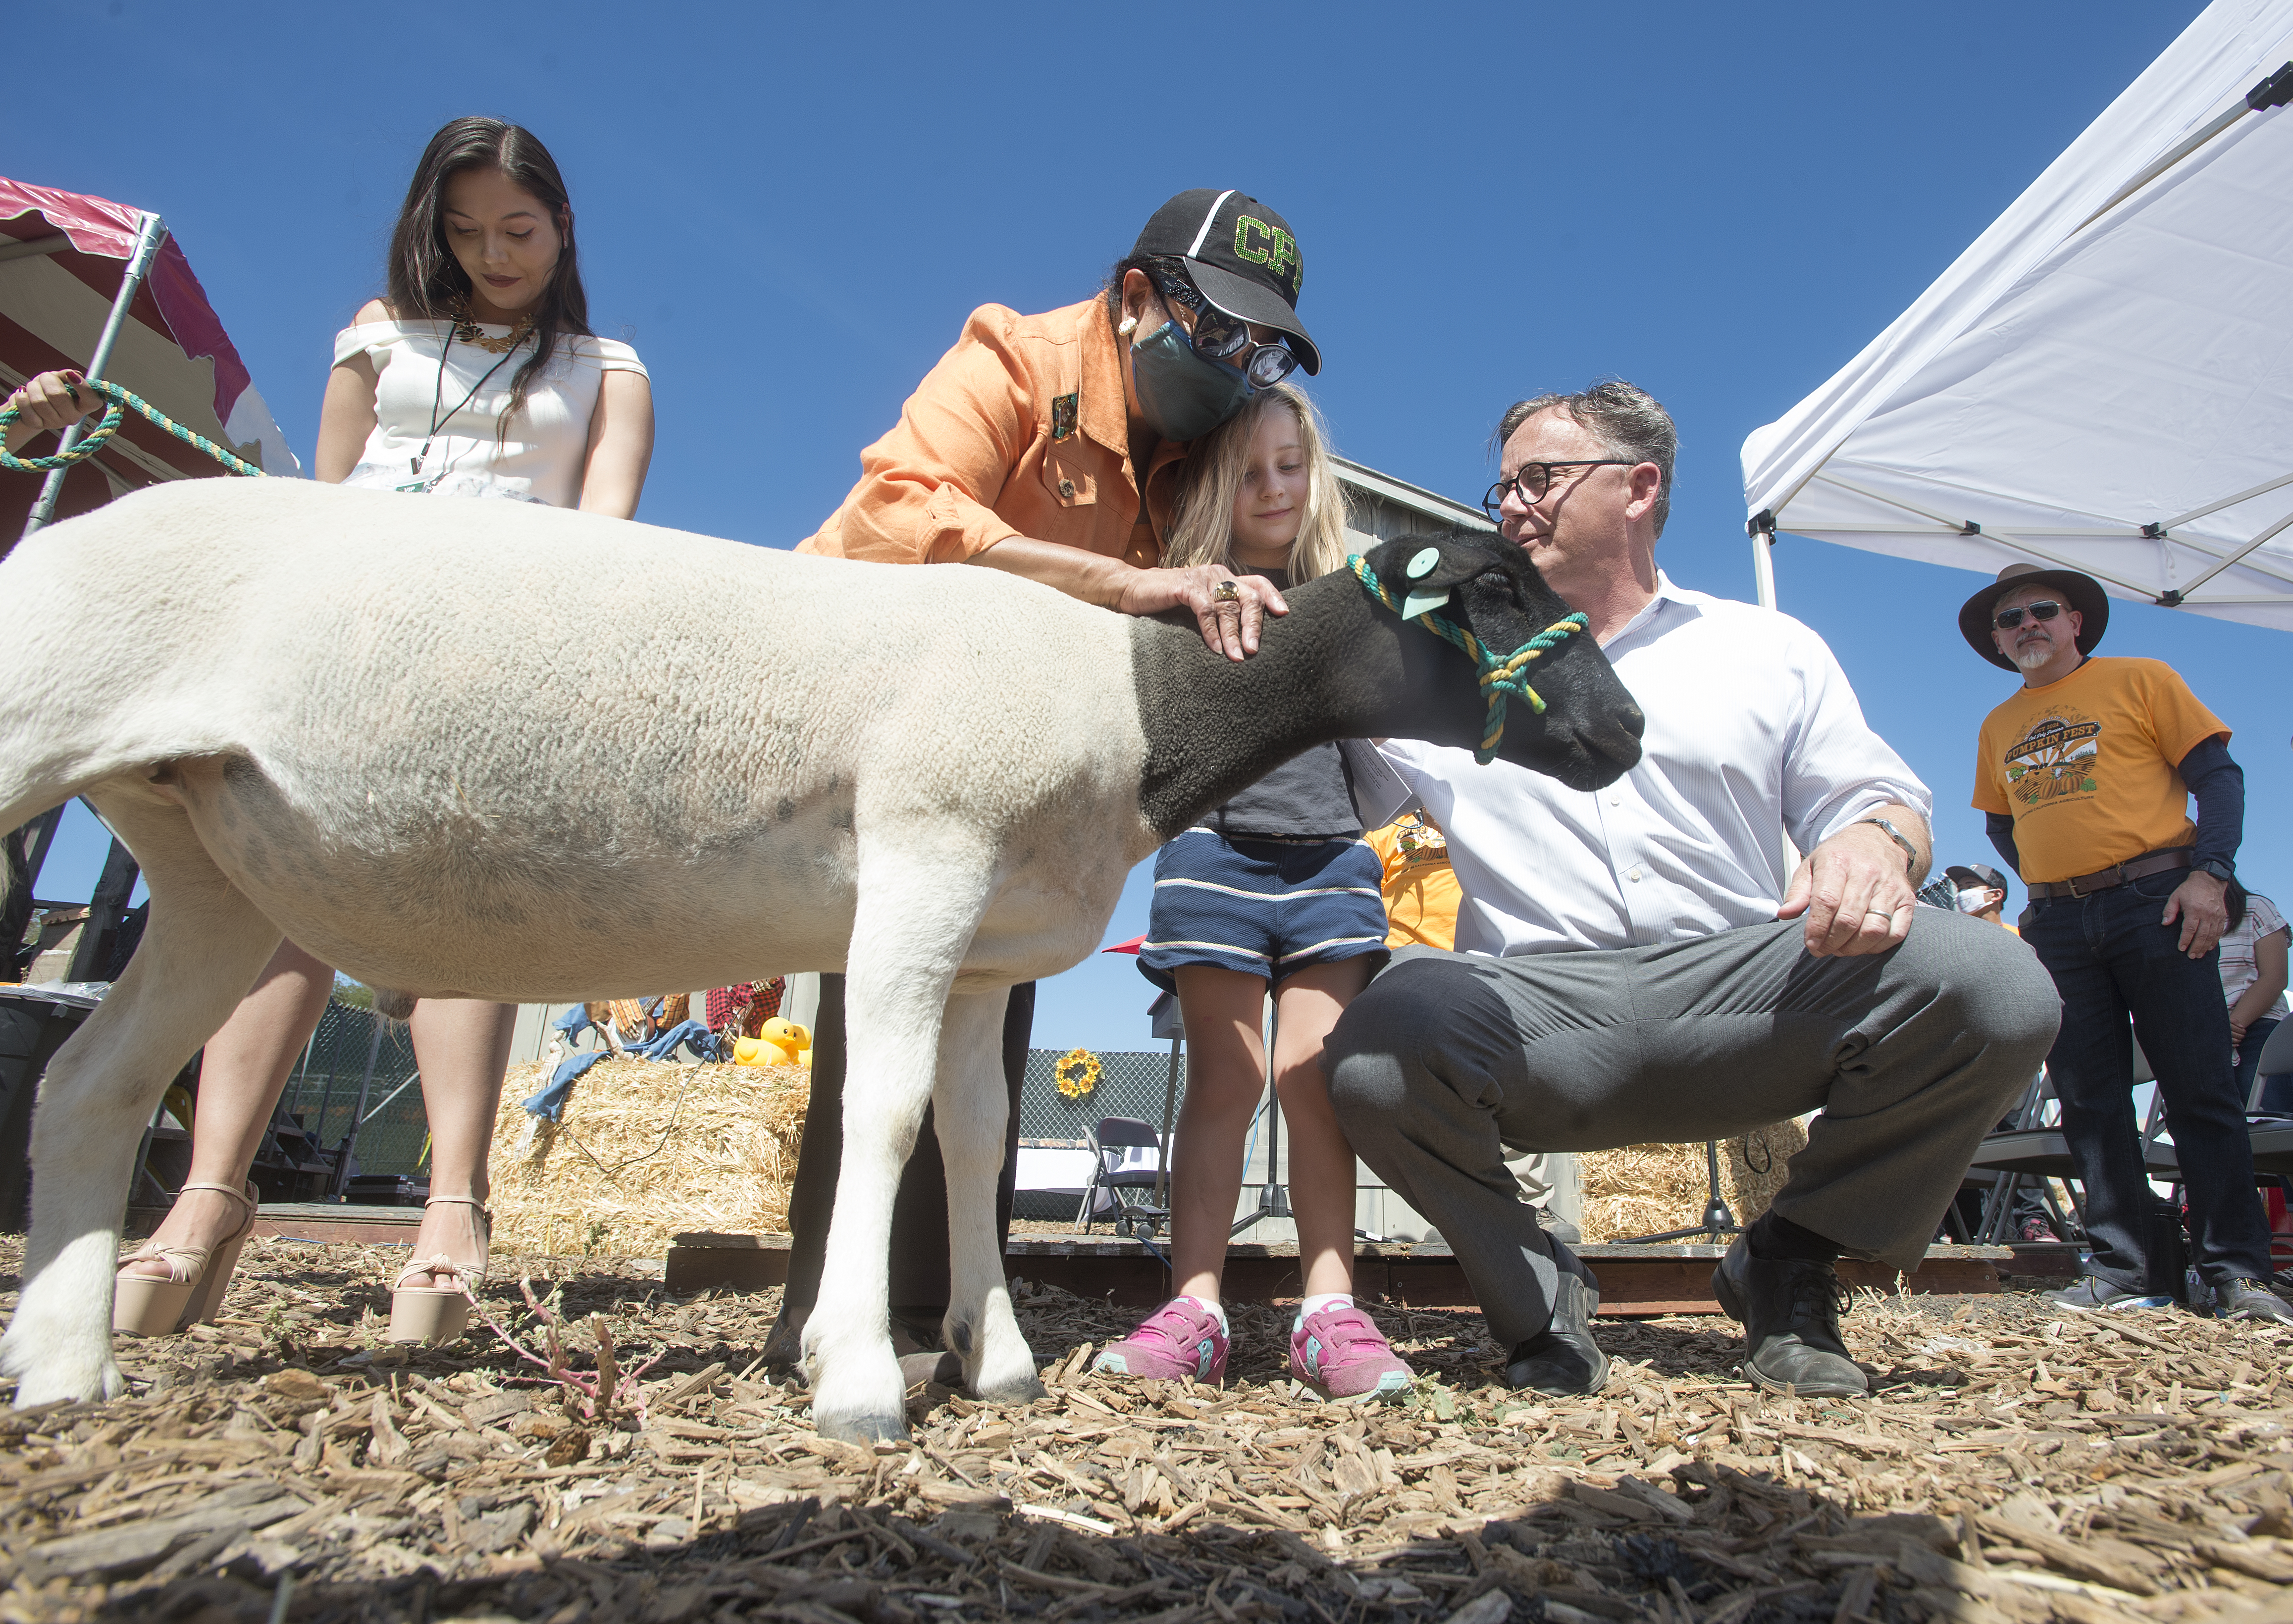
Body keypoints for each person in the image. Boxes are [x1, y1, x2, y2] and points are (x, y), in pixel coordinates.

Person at [1322, 381, 2060, 1400]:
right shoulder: (1438, 676)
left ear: (1639, 486)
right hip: (1539, 1010)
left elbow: (1877, 794)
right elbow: (1320, 804)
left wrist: (1873, 846)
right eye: (1499, 489)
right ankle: (1537, 1296)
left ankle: (1787, 1264)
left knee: (1996, 983)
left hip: (1750, 996)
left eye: (1538, 478)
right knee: (1378, 1038)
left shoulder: (1765, 647)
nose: (1508, 507)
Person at [108, 115, 655, 1342]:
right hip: (339, 635)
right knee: (278, 893)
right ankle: (208, 1191)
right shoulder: (374, 336)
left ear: (562, 227)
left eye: (517, 229)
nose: (492, 254)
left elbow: (604, 539)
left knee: (459, 901)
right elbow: (325, 495)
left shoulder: (608, 367)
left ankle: (453, 1203)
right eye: (463, 232)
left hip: (496, 647)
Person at [767, 190, 1322, 1374]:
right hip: (844, 709)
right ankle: (836, 1309)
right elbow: (895, 506)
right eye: (1217, 329)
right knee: (889, 993)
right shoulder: (1012, 357)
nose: (1235, 365)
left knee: (996, 997)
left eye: (1259, 346)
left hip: (1004, 777)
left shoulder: (1187, 465)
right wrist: (1122, 586)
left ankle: (952, 1299)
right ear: (1135, 301)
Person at [1088, 385, 1406, 1398]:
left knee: (1317, 1082)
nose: (1274, 485)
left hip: (1329, 861)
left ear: (1315, 478)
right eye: (1251, 468)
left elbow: (1385, 735)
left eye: (1290, 464)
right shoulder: (1184, 594)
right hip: (1213, 857)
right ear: (1218, 482)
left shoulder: (1344, 594)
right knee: (1229, 1081)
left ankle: (1329, 1310)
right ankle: (1194, 1307)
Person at [1966, 563, 2290, 1322]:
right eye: (2009, 620)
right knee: (2086, 1098)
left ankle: (2235, 1272)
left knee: (2199, 1087)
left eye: (2040, 611)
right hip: (2059, 923)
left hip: (2158, 901)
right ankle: (2125, 1268)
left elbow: (2219, 776)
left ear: (2075, 621)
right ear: (1995, 640)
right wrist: (2057, 886)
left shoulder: (2141, 679)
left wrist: (2208, 876)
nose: (2026, 627)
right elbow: (1998, 826)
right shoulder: (1996, 726)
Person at [1365, 811, 1581, 1243]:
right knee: (1442, 1104)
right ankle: (1464, 1214)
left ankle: (1535, 1209)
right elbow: (1365, 902)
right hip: (1413, 980)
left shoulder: (1477, 814)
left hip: (1487, 969)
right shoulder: (1384, 831)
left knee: (1508, 1086)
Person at [2219, 883, 2289, 1113]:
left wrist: (2231, 1025)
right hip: (2203, 1036)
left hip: (2257, 1029)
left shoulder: (2255, 907)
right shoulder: (2172, 921)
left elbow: (2275, 977)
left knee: (2273, 1125)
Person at [1945, 863, 2015, 931]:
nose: (1962, 894)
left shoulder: (2018, 936)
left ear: (1996, 895)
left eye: (1971, 887)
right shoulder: (1954, 934)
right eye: (1960, 889)